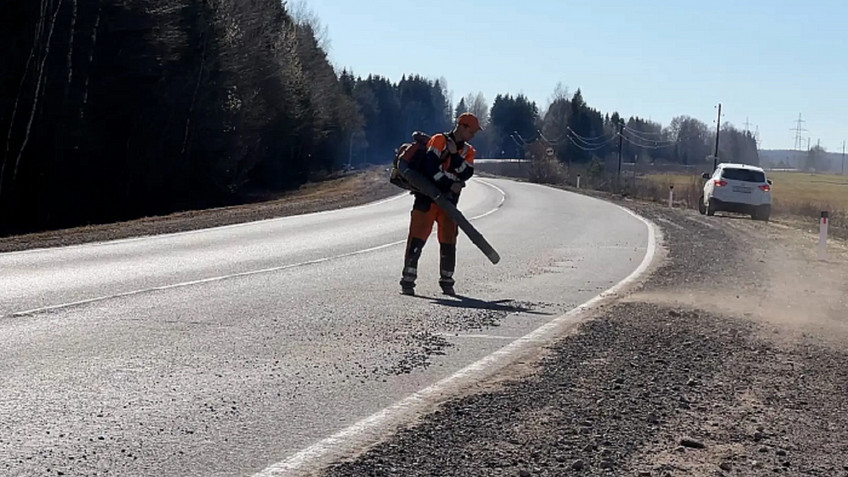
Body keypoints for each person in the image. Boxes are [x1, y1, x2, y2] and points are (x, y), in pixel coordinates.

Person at [400, 112, 482, 296]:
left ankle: (447, 281)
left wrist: (453, 154)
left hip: (449, 205)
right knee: (417, 239)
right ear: (462, 126)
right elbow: (429, 168)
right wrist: (449, 184)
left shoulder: (469, 151)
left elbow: (466, 173)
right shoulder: (438, 140)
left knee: (449, 241)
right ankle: (408, 280)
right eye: (471, 131)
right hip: (427, 199)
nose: (473, 135)